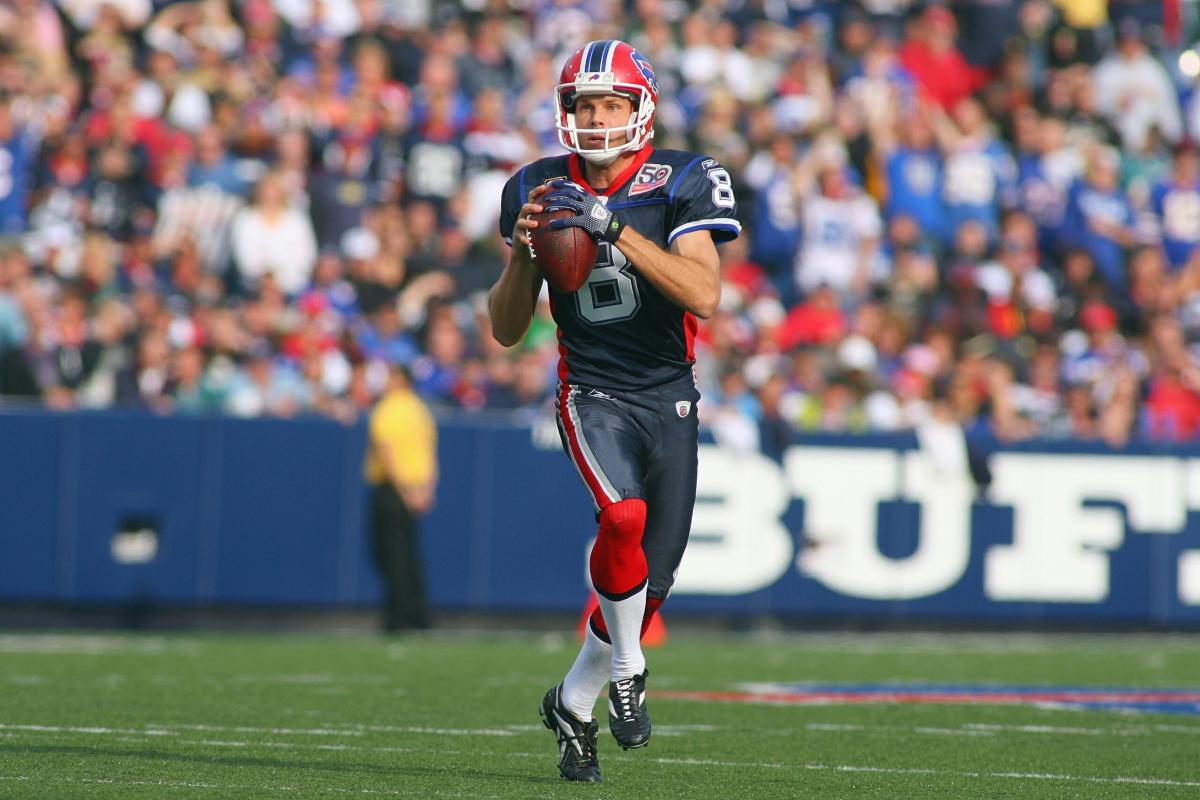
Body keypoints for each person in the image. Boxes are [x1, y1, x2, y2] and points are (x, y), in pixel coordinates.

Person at [488, 39, 740, 783]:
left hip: (671, 392)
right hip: (591, 391)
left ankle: (572, 700)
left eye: (609, 103)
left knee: (647, 586)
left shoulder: (685, 178)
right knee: (621, 519)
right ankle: (628, 670)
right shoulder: (535, 184)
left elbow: (704, 295)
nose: (596, 118)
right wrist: (525, 254)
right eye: (583, 104)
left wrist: (611, 227)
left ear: (640, 108)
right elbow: (505, 330)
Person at [363, 361, 438, 632]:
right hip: (418, 488)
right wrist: (426, 491)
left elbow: (387, 451)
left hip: (393, 490)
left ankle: (398, 617)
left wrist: (405, 492)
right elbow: (430, 452)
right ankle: (418, 615)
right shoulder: (420, 410)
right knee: (409, 555)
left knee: (389, 555)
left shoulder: (388, 409)